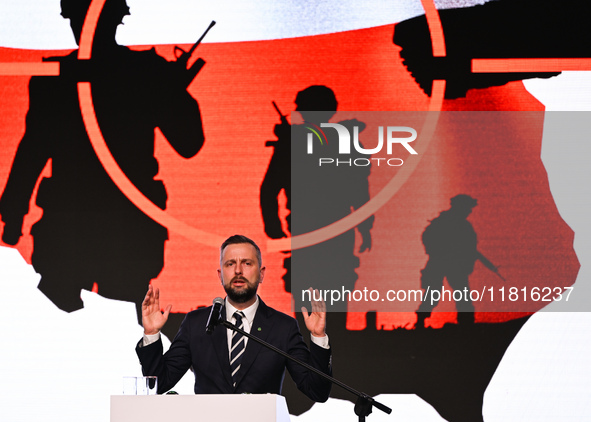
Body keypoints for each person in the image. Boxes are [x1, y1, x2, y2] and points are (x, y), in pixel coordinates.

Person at [0, 0, 204, 323]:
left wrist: (13, 216)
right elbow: (32, 151)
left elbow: (31, 153)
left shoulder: (56, 78)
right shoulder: (144, 73)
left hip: (93, 231)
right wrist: (171, 90)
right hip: (104, 231)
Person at [136, 235, 332, 400]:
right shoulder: (196, 324)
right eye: (230, 264)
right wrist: (151, 334)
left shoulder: (283, 327)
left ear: (262, 273)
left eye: (247, 263)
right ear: (220, 274)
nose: (238, 270)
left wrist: (318, 336)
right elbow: (159, 383)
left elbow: (316, 391)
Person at [260, 85, 373, 313]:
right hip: (335, 227)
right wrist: (365, 227)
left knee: (311, 296)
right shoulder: (344, 142)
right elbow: (360, 190)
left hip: (309, 228)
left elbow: (268, 190)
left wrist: (273, 226)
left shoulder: (292, 143)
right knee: (330, 294)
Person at [415, 194, 479, 328]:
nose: (469, 211)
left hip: (454, 264)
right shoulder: (443, 222)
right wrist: (437, 251)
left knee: (462, 294)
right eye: (467, 208)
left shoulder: (463, 225)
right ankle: (420, 321)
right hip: (441, 262)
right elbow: (427, 238)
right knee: (433, 293)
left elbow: (471, 247)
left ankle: (466, 323)